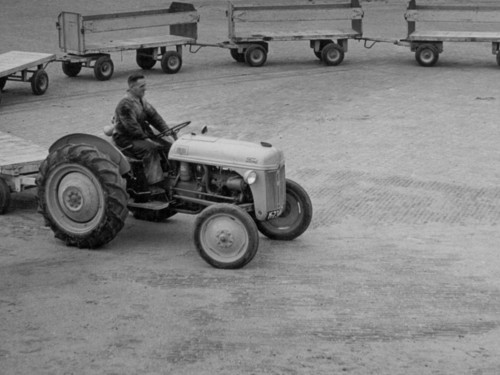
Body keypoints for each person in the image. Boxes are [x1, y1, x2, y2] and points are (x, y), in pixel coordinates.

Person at [112, 73, 172, 187]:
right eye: (142, 86)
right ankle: (155, 184)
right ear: (132, 88)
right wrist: (148, 140)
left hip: (141, 134)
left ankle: (169, 174)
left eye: (145, 85)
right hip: (126, 138)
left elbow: (154, 117)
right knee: (151, 149)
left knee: (169, 146)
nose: (145, 89)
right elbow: (132, 128)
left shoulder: (141, 101)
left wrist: (167, 131)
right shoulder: (125, 105)